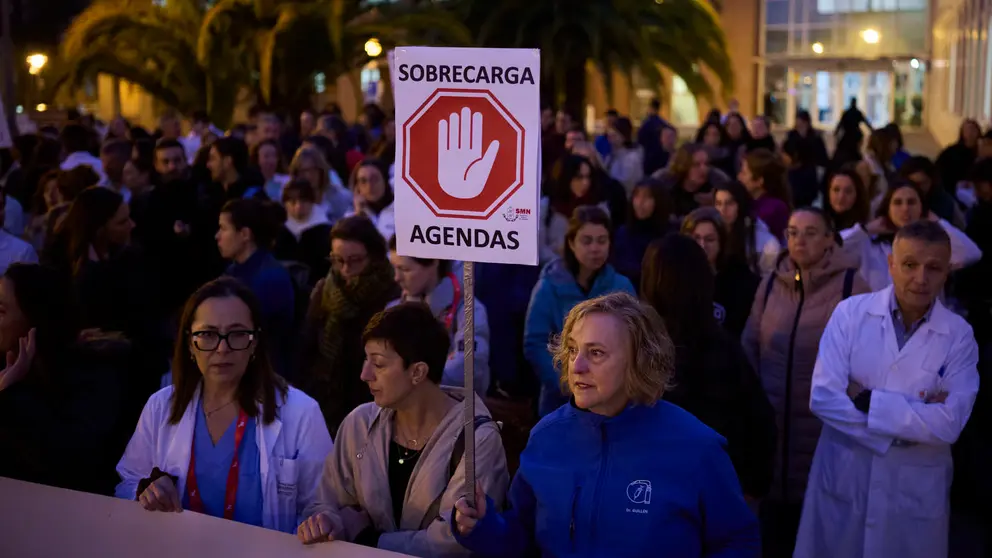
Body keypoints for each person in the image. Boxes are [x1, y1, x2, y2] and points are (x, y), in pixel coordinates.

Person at [452, 292, 761, 557]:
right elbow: (522, 538)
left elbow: (738, 541)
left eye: (596, 353)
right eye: (573, 350)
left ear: (639, 361)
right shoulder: (547, 437)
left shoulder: (697, 447)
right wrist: (484, 526)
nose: (578, 366)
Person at [794, 221, 980, 558]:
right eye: (910, 265)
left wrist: (868, 401)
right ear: (891, 264)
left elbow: (950, 423)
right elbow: (823, 397)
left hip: (914, 493)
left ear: (947, 272)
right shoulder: (850, 314)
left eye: (933, 268)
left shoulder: (959, 336)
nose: (921, 278)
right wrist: (907, 424)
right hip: (845, 479)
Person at [115, 278, 333, 533]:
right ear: (189, 343)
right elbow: (127, 483)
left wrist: (320, 523)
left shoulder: (300, 412)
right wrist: (144, 491)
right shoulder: (161, 406)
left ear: (254, 343)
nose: (222, 348)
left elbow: (324, 505)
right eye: (207, 334)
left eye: (237, 334)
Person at [297, 303, 509, 555]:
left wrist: (369, 539)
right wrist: (325, 521)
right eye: (366, 360)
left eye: (378, 364)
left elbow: (454, 543)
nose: (365, 375)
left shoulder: (477, 440)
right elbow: (324, 501)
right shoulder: (359, 423)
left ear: (418, 372)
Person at [741, 208, 869, 556]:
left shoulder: (851, 286)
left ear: (830, 238)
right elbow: (750, 345)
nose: (799, 240)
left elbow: (864, 363)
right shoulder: (770, 284)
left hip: (822, 432)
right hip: (772, 428)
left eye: (811, 232)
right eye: (793, 231)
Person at [640, 235, 776, 501]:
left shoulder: (642, 349)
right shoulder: (724, 349)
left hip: (676, 498)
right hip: (712, 492)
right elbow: (761, 426)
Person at [0, 263, 131, 496]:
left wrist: (11, 395)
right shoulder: (7, 368)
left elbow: (66, 462)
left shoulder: (94, 377)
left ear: (34, 322)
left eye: (1, 311)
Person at [525, 206, 635, 417]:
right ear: (571, 243)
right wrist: (567, 382)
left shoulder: (622, 286)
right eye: (587, 241)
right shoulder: (549, 286)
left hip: (612, 401)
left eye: (602, 241)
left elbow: (633, 341)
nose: (595, 248)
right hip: (561, 400)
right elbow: (535, 342)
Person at [300, 215, 400, 434]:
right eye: (337, 260)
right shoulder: (325, 290)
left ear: (373, 256)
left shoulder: (390, 295)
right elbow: (307, 346)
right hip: (325, 402)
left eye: (355, 260)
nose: (345, 268)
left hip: (369, 404)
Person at [387, 237, 491, 395]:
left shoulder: (468, 309)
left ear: (434, 262)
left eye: (405, 269)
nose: (396, 277)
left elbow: (470, 364)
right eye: (394, 268)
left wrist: (410, 381)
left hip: (455, 409)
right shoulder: (392, 309)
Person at [841, 181, 981, 291]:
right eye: (897, 203)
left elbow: (971, 253)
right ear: (887, 208)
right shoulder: (869, 244)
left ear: (922, 208)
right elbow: (835, 248)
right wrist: (865, 229)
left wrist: (937, 222)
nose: (905, 209)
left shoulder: (934, 244)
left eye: (911, 202)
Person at [216, 198, 295, 379]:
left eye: (223, 228)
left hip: (263, 378)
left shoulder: (270, 279)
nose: (217, 236)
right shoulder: (233, 271)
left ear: (245, 234)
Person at [681, 208, 760, 339]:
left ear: (721, 242)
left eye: (709, 239)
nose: (702, 245)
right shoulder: (677, 278)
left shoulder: (741, 282)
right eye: (696, 238)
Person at [539, 154, 611, 265]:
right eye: (579, 177)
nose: (585, 183)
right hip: (554, 271)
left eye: (588, 177)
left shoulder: (599, 208)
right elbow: (539, 248)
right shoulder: (546, 207)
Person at [611, 178, 673, 288]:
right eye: (637, 196)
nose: (640, 202)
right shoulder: (623, 233)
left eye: (647, 197)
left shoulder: (670, 236)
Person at [714, 181, 781, 275]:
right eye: (718, 203)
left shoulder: (764, 242)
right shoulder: (712, 231)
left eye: (729, 203)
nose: (723, 209)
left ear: (741, 204)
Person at [272, 179, 332, 286]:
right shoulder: (279, 231)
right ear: (285, 204)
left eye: (303, 201)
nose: (298, 206)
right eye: (293, 202)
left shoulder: (325, 231)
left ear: (312, 202)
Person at [653, 143, 730, 220]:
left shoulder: (717, 183)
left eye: (706, 164)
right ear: (684, 165)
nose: (703, 169)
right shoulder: (665, 184)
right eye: (696, 165)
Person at [288, 146, 352, 224]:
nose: (308, 176)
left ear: (321, 171)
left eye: (313, 170)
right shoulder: (289, 202)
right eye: (303, 171)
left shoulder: (339, 197)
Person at [738, 149, 791, 241]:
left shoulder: (775, 208)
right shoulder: (746, 201)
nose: (739, 177)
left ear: (759, 181)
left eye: (744, 173)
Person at [348, 158, 395, 243]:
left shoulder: (401, 212)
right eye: (363, 181)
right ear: (357, 187)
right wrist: (359, 215)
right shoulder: (350, 217)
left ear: (385, 180)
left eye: (375, 179)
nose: (369, 186)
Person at [935, 119, 981, 199]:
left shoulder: (982, 152)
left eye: (973, 129)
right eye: (967, 130)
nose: (970, 133)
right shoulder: (951, 152)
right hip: (953, 191)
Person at [822, 165, 871, 232]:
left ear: (858, 195)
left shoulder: (865, 227)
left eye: (848, 191)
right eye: (836, 190)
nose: (841, 197)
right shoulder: (818, 221)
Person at [604, 116, 644, 196]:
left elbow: (626, 183)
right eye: (609, 136)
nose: (611, 140)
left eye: (614, 136)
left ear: (624, 136)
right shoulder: (611, 155)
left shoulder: (632, 158)